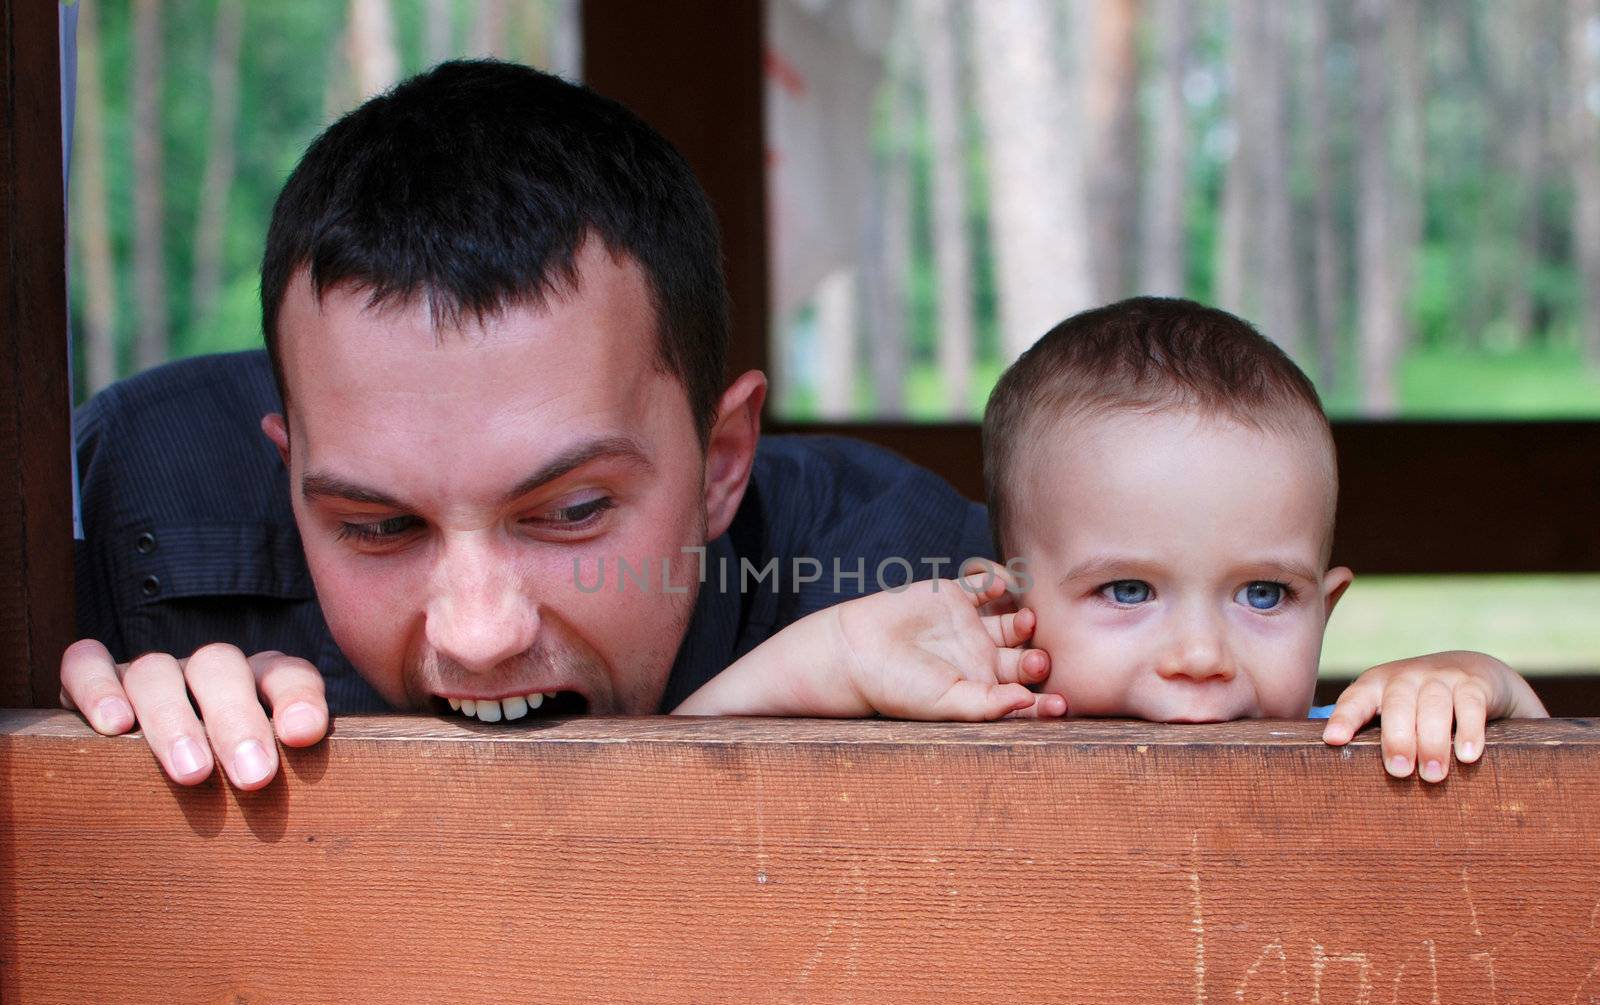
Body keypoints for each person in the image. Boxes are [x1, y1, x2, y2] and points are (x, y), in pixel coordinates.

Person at [59, 60, 996, 790]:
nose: (478, 635)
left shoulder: (907, 579)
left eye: (573, 508)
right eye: (379, 528)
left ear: (721, 463)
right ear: (288, 471)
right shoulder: (133, 489)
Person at [677, 298, 1549, 782]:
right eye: (1128, 591)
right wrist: (830, 655)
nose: (1202, 655)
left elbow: (1553, 815)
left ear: (1327, 611)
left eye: (1264, 594)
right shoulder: (954, 748)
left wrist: (1482, 688)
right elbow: (657, 794)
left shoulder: (1349, 750)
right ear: (1007, 602)